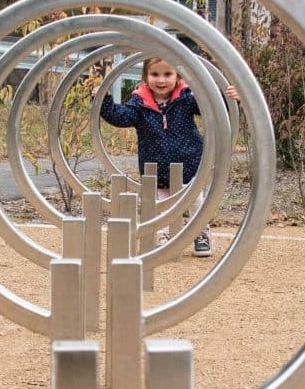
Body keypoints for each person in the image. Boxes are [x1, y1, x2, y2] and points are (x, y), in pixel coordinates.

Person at [97, 56, 240, 256]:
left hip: (189, 160)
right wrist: (104, 100)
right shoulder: (139, 103)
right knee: (163, 204)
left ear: (177, 76)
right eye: (155, 74)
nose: (161, 80)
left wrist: (229, 98)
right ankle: (167, 236)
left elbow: (212, 108)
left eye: (167, 74)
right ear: (146, 77)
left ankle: (200, 233)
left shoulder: (186, 98)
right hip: (156, 164)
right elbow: (120, 116)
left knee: (195, 200)